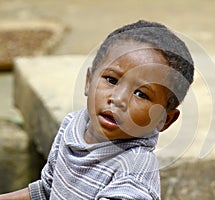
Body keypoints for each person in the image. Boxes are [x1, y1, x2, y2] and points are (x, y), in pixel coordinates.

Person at [0, 20, 194, 200]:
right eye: (111, 80)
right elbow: (47, 189)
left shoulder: (133, 171)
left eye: (141, 94)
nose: (118, 99)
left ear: (164, 120)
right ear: (88, 81)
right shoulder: (73, 125)